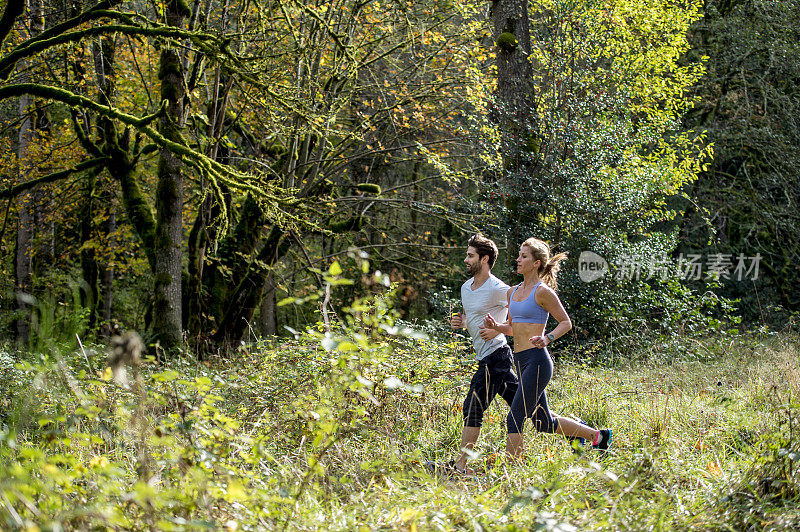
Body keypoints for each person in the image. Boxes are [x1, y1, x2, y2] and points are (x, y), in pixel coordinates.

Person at [483, 237, 612, 460]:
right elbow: (514, 327)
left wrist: (548, 338)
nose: (518, 259)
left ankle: (511, 471)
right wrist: (497, 327)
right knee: (543, 422)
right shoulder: (511, 292)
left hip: (538, 361)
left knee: (515, 417)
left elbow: (565, 322)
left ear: (536, 263)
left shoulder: (543, 292)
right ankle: (599, 437)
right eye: (519, 255)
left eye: (524, 256)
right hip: (520, 361)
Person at [427, 234, 519, 476]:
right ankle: (591, 434)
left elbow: (519, 320)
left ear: (484, 258)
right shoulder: (465, 288)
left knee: (472, 407)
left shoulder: (500, 289)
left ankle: (460, 467)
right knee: (531, 409)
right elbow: (474, 318)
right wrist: (463, 321)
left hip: (496, 356)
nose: (465, 259)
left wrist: (498, 328)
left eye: (470, 255)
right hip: (486, 357)